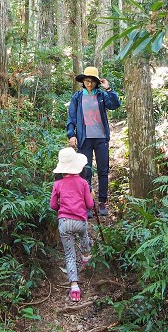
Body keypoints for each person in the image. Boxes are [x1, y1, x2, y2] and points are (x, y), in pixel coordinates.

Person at [66, 66, 121, 217]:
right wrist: (71, 134)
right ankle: (88, 205)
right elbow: (71, 118)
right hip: (84, 139)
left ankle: (102, 202)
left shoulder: (102, 96)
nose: (89, 84)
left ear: (97, 82)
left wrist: (109, 88)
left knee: (103, 170)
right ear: (83, 81)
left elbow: (115, 105)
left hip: (101, 138)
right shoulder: (77, 97)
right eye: (87, 81)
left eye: (92, 81)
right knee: (85, 172)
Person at [49, 147, 94, 302]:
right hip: (80, 221)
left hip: (64, 223)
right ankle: (86, 257)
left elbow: (53, 205)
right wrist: (91, 196)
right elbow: (89, 204)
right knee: (84, 236)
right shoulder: (83, 183)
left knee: (69, 254)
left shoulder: (58, 184)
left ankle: (74, 287)